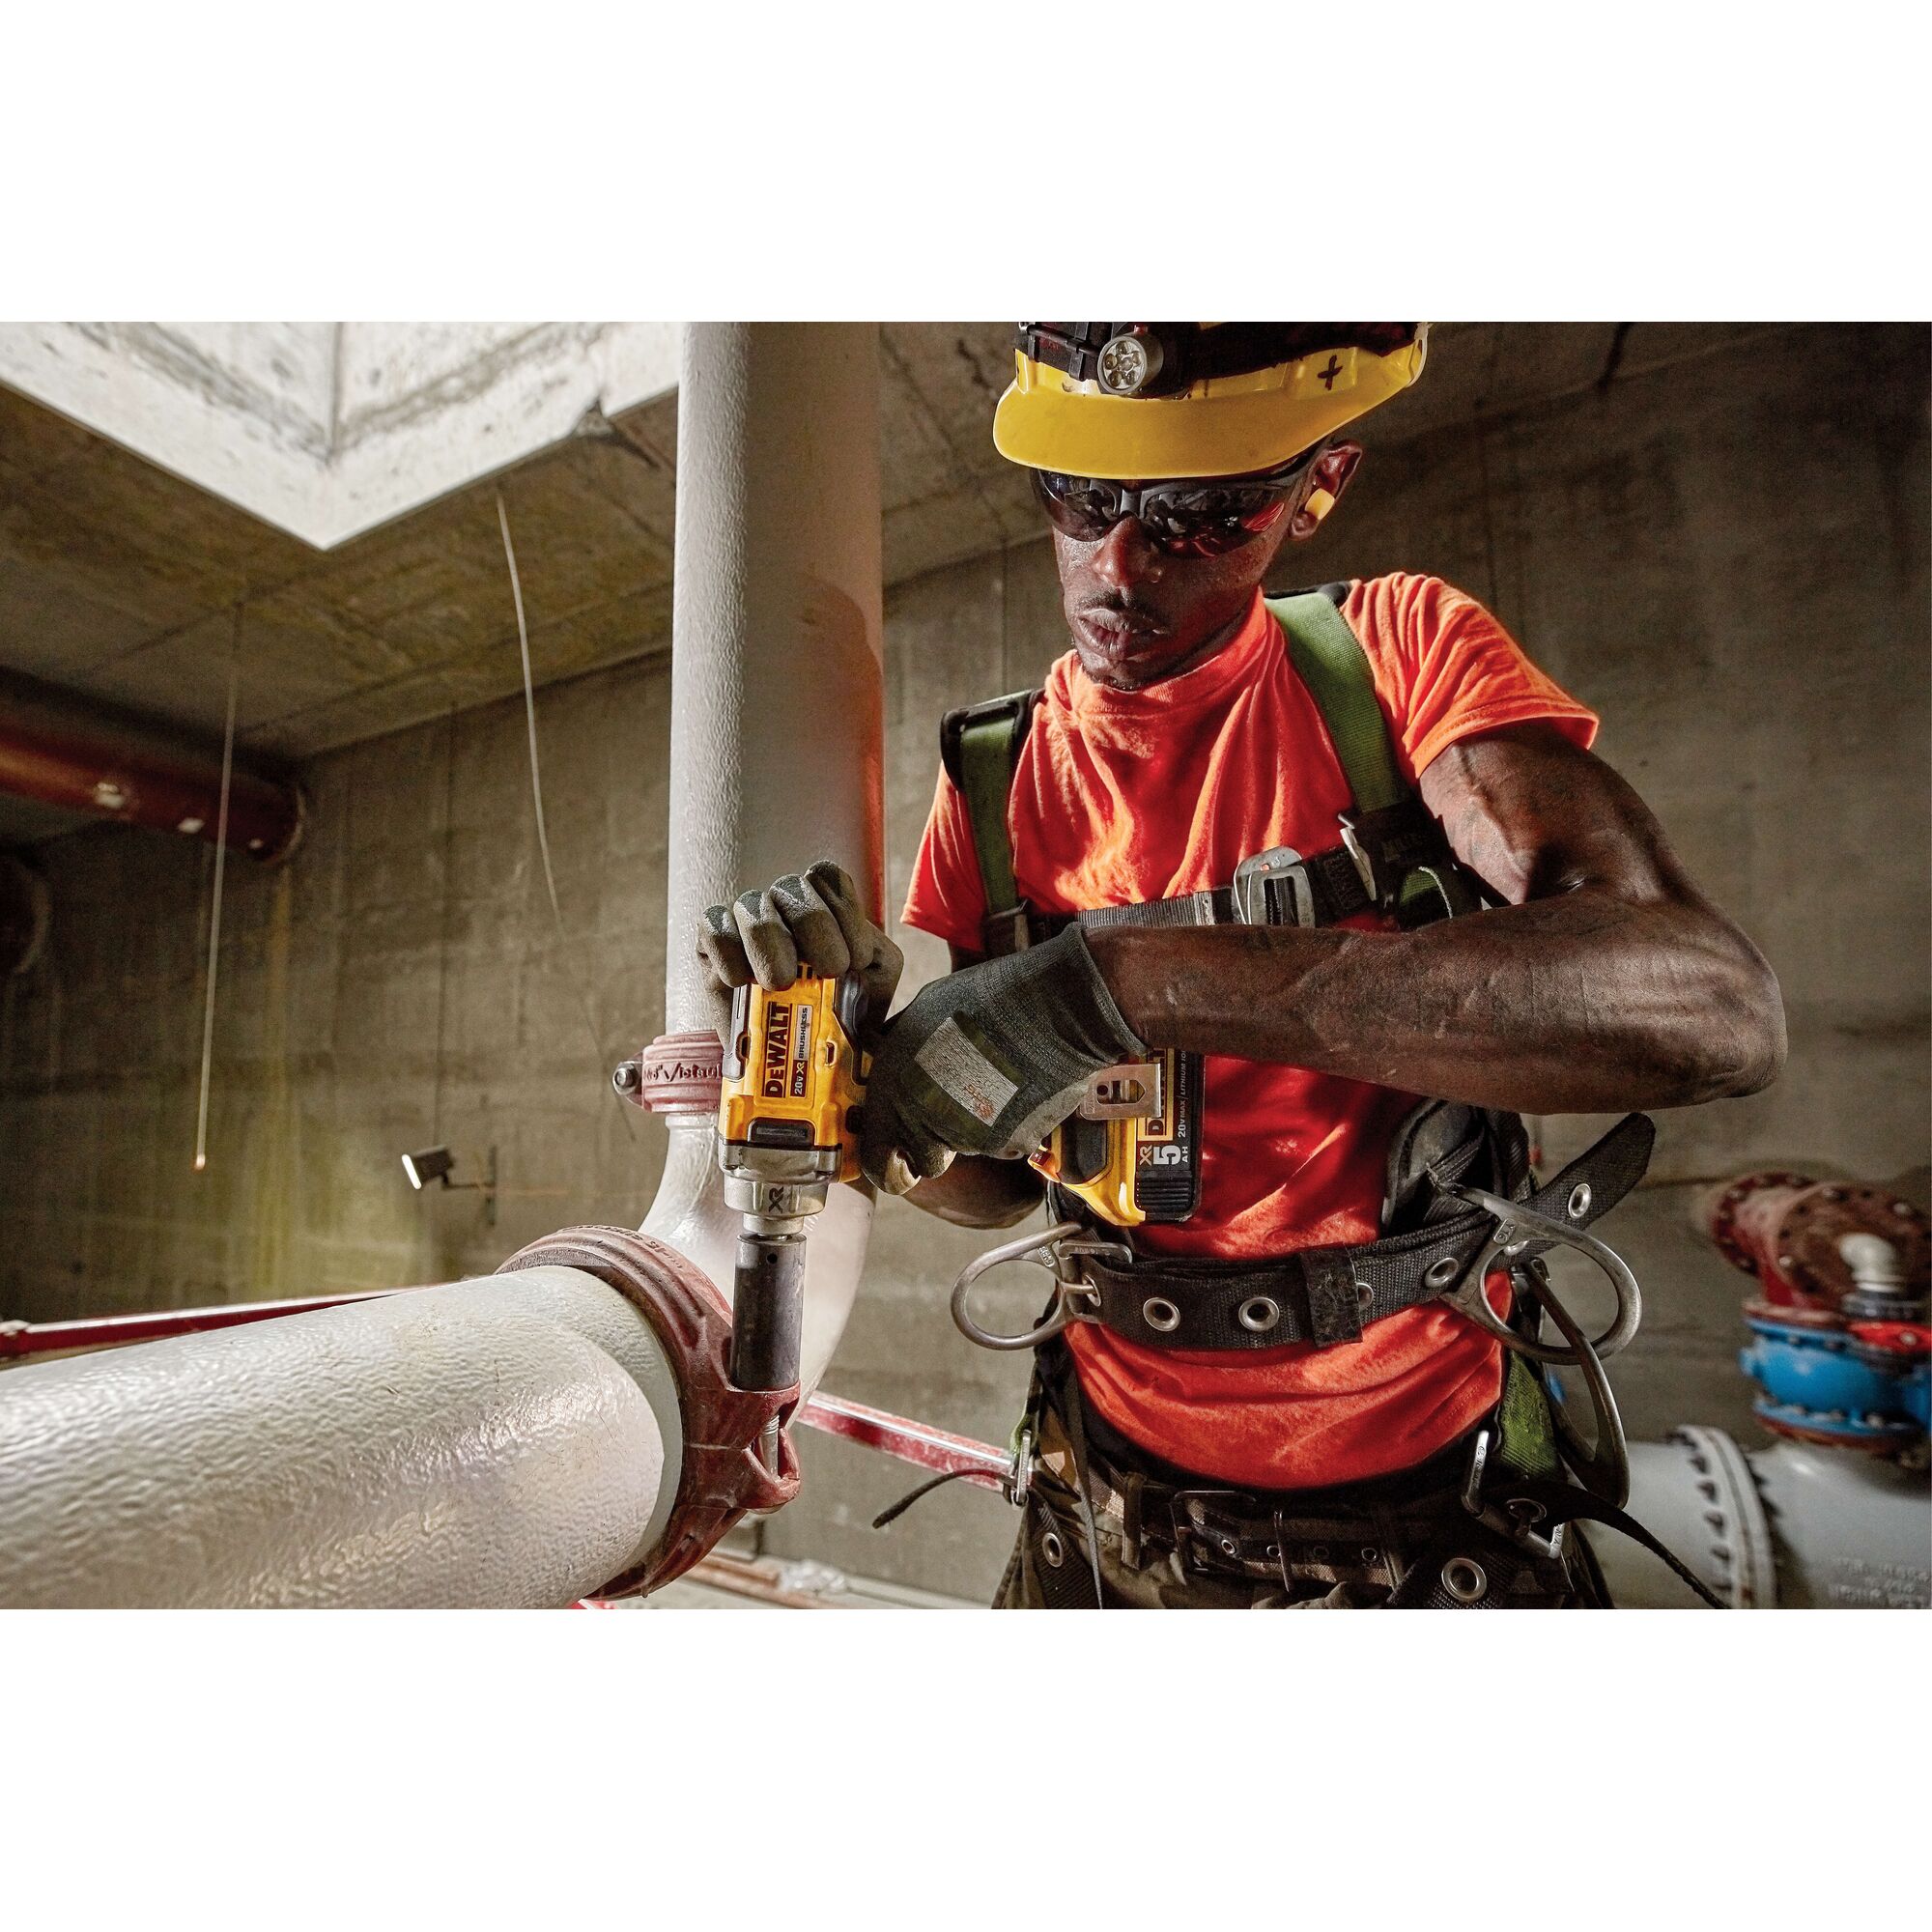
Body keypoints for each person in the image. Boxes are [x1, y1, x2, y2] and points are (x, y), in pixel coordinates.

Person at [698, 324, 1785, 1608]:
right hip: (1106, 1494)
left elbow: (1711, 1009)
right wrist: (887, 1094)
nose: (1120, 561)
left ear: (1317, 488)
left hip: (1429, 1492)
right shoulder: (999, 777)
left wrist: (1121, 986)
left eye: (1201, 514)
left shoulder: (1391, 658)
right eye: (1081, 495)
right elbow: (1000, 1186)